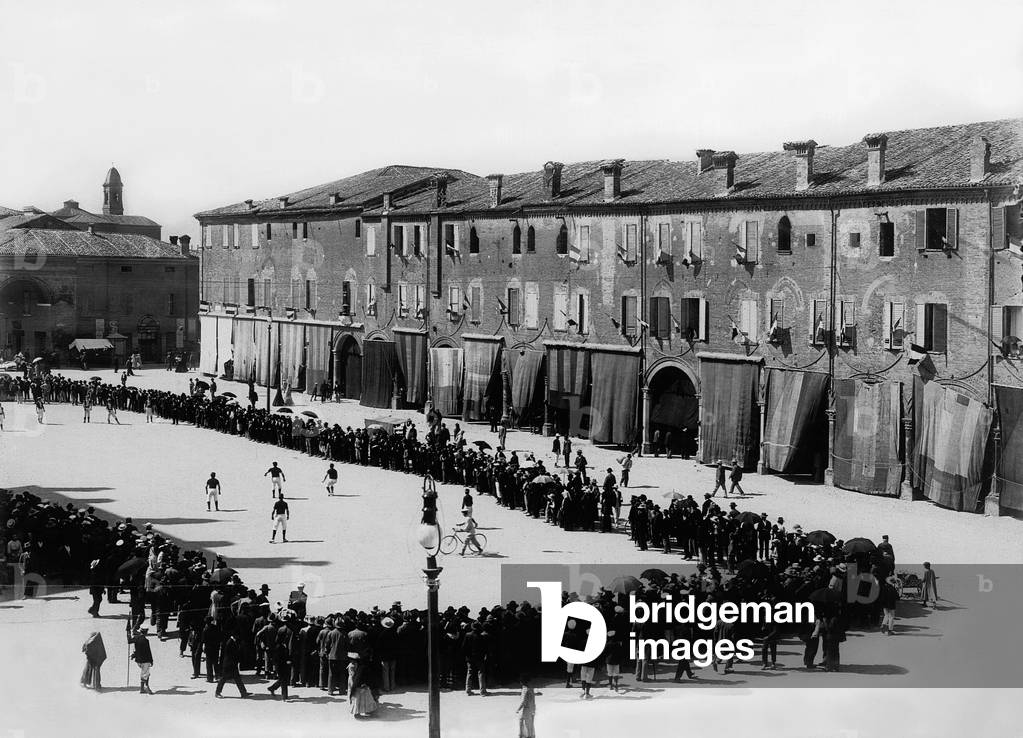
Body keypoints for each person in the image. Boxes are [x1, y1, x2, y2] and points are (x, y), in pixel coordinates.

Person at [215, 633, 250, 698]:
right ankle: (217, 692)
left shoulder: (233, 641)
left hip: (232, 663)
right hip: (228, 664)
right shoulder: (230, 642)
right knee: (223, 678)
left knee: (237, 679)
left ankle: (243, 692)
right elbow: (232, 654)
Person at [129, 627, 155, 695]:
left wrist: (128, 633)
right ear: (146, 632)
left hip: (138, 660)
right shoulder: (146, 641)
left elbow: (129, 641)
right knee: (146, 674)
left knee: (144, 673)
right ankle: (146, 687)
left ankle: (142, 688)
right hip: (145, 660)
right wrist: (151, 660)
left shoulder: (136, 638)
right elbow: (148, 652)